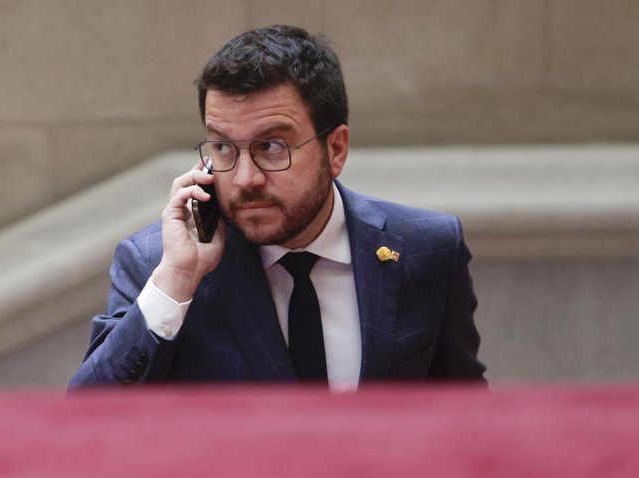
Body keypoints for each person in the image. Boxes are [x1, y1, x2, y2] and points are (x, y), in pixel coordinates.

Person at [69, 25, 486, 389]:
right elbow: (87, 421)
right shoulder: (159, 265)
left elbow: (467, 418)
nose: (246, 178)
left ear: (335, 148)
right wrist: (177, 281)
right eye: (224, 148)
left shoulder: (428, 249)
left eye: (271, 146)